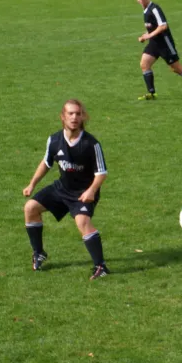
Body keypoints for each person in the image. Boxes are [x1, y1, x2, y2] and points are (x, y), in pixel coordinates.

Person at [22, 99, 110, 280]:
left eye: (78, 114)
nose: (74, 117)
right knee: (30, 208)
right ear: (62, 116)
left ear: (83, 117)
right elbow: (46, 163)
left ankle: (101, 267)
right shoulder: (54, 140)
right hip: (62, 189)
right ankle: (39, 253)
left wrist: (91, 191)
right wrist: (32, 184)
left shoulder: (91, 144)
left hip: (83, 193)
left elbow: (101, 173)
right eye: (70, 113)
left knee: (83, 222)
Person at [135, 0, 182, 100]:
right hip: (154, 44)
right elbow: (153, 27)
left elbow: (163, 26)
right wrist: (144, 36)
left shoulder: (154, 9)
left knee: (176, 68)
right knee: (144, 64)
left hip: (164, 44)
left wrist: (149, 36)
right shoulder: (146, 11)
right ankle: (152, 93)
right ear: (137, 0)